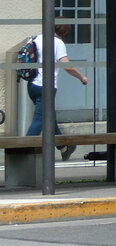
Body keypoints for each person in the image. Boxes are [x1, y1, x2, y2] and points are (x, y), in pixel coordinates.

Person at [26, 23, 88, 160]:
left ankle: (63, 146)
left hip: (32, 86)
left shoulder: (35, 38)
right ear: (65, 33)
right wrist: (81, 77)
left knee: (48, 117)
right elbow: (67, 66)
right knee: (40, 120)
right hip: (45, 87)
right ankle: (23, 152)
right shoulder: (57, 43)